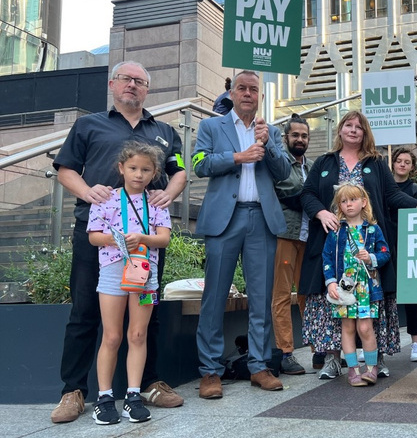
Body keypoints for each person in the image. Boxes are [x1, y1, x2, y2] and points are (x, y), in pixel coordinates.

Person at [51, 61, 186, 424]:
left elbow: (181, 170)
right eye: (126, 79)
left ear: (147, 89)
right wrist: (89, 192)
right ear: (113, 84)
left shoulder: (164, 130)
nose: (132, 85)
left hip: (145, 239)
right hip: (99, 235)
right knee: (83, 313)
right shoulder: (88, 124)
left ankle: (149, 384)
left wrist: (168, 195)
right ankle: (74, 391)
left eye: (140, 81)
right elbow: (65, 169)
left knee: (147, 316)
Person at [299, 111, 417, 381]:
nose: (353, 130)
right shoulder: (325, 162)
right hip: (335, 244)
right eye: (348, 125)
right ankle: (334, 359)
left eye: (358, 127)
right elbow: (307, 193)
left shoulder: (376, 162)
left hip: (368, 245)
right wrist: (321, 213)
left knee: (373, 302)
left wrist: (416, 204)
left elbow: (391, 194)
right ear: (340, 130)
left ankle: (377, 359)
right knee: (334, 301)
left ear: (365, 133)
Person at [193, 70, 290, 398]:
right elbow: (199, 164)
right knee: (214, 297)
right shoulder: (211, 126)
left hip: (261, 220)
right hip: (224, 219)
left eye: (254, 90)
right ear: (232, 94)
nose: (248, 94)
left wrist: (267, 145)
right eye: (242, 89)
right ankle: (210, 371)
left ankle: (260, 366)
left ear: (260, 96)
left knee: (262, 297)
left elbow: (285, 173)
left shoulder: (271, 131)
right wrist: (238, 157)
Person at [86, 141, 172, 425]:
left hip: (147, 275)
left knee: (138, 334)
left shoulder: (157, 202)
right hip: (112, 272)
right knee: (111, 336)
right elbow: (94, 236)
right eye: (133, 168)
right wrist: (118, 238)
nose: (139, 174)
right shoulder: (106, 198)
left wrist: (143, 239)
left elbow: (164, 238)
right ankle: (105, 397)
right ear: (121, 168)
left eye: (146, 169)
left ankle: (133, 395)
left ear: (154, 172)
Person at [323, 184, 390, 385]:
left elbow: (385, 253)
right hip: (344, 289)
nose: (348, 204)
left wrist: (371, 258)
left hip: (367, 288)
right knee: (348, 328)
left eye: (353, 200)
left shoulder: (373, 229)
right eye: (344, 201)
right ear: (339, 206)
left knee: (366, 327)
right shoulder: (336, 231)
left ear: (363, 202)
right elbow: (326, 257)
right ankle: (353, 370)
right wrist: (330, 282)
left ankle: (371, 369)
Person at [272, 113, 314, 375]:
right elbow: (282, 192)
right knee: (282, 295)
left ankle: (317, 349)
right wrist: (307, 196)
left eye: (304, 135)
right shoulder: (279, 164)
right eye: (295, 135)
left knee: (309, 295)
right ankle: (286, 353)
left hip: (308, 238)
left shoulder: (311, 167)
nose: (300, 139)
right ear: (286, 137)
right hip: (285, 234)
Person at [389, 148, 417, 362]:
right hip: (386, 246)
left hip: (411, 248)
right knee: (384, 297)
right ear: (393, 164)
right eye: (399, 161)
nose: (402, 164)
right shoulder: (383, 188)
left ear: (412, 167)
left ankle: (416, 344)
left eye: (407, 162)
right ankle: (375, 343)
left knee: (412, 296)